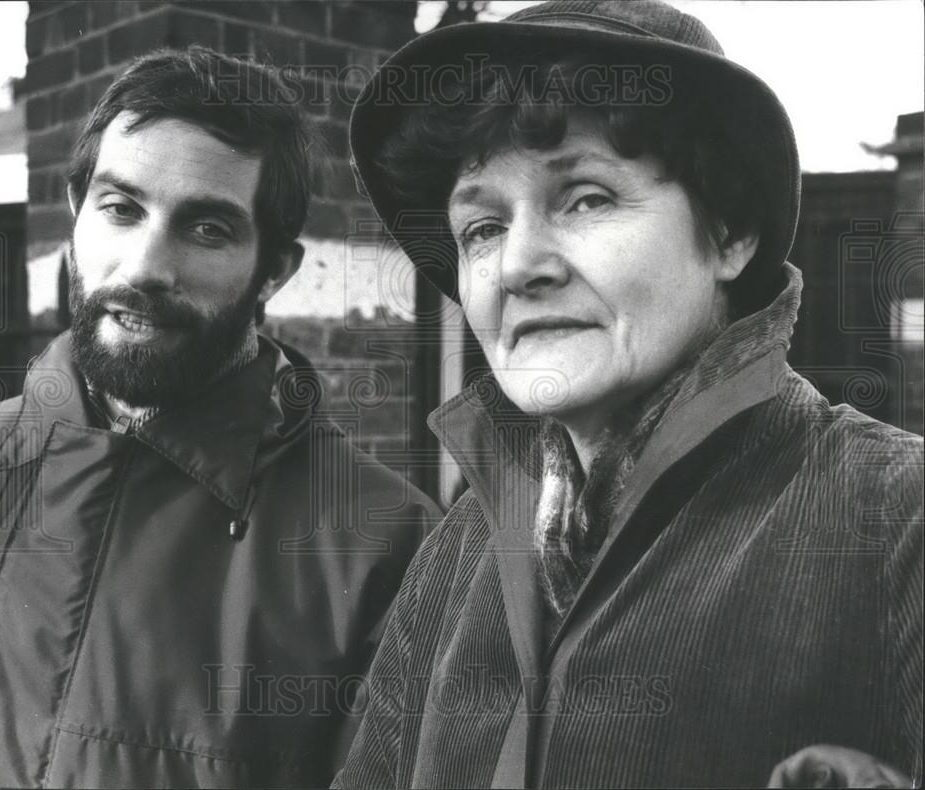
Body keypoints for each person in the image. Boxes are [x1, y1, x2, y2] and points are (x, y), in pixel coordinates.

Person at [336, 2, 923, 787]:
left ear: (727, 233)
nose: (517, 266)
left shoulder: (898, 522)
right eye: (480, 228)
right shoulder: (456, 550)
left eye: (586, 199)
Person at [0, 46, 439, 789]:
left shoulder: (386, 549)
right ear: (76, 215)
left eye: (206, 230)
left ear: (275, 271)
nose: (143, 267)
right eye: (120, 208)